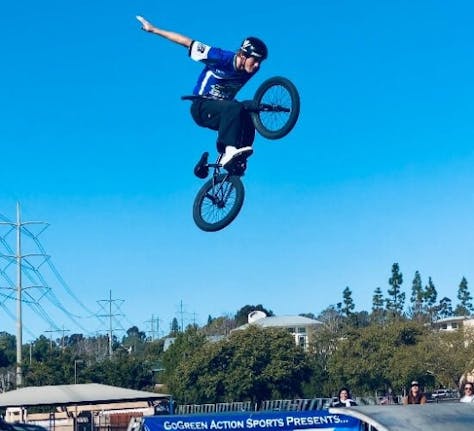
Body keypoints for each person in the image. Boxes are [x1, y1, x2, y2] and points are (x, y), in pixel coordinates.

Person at [136, 15, 268, 175]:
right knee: (235, 107)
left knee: (248, 111)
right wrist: (154, 30)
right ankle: (229, 150)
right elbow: (187, 42)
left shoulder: (251, 69)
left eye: (260, 62)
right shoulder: (220, 57)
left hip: (221, 111)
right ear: (243, 55)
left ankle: (235, 158)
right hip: (201, 106)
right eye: (255, 60)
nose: (257, 66)